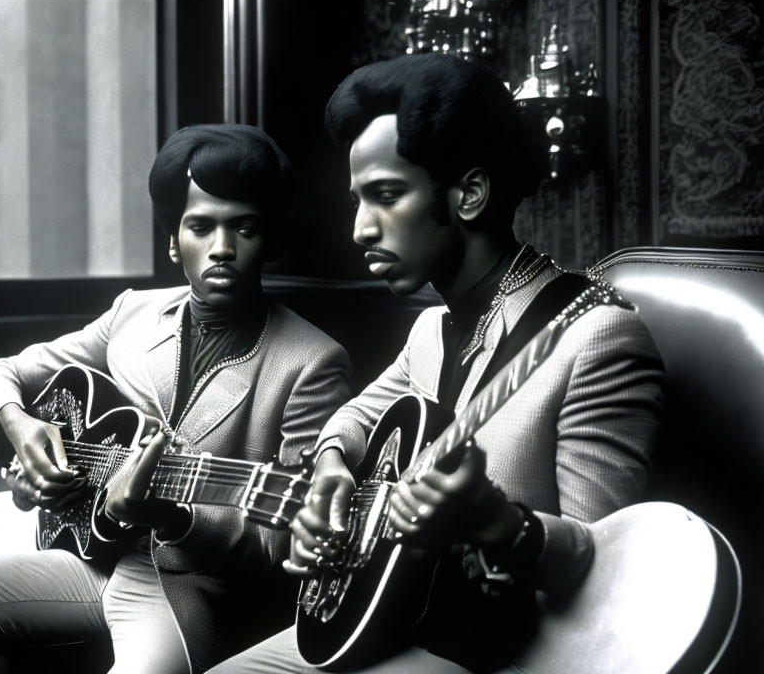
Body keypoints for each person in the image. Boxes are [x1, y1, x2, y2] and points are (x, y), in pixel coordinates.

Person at [208, 54, 665, 673]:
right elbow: (347, 421)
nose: (360, 230)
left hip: (502, 652)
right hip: (400, 620)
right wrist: (332, 473)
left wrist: (494, 521)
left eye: (386, 196)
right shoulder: (431, 330)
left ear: (469, 194)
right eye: (356, 200)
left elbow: (602, 566)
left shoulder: (597, 337)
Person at [0, 124, 352, 674]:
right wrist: (19, 427)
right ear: (174, 241)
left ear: (272, 240)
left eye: (244, 228)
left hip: (192, 588)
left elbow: (285, 544)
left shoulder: (314, 361)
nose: (222, 248)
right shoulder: (133, 313)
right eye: (201, 227)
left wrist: (172, 516)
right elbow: (4, 372)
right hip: (92, 558)